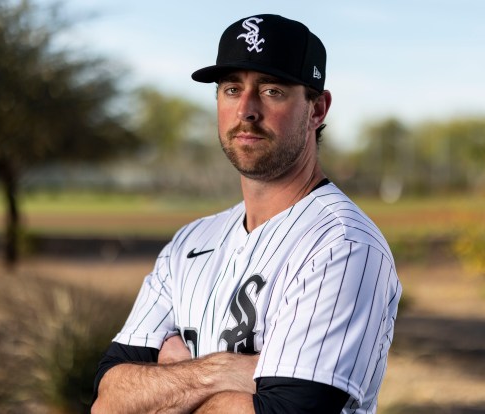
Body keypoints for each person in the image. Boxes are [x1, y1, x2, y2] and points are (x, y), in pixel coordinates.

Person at [92, 14, 402, 414]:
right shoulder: (189, 242)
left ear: (317, 109)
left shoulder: (342, 244)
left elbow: (289, 410)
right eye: (232, 88)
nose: (246, 110)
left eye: (272, 90)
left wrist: (173, 378)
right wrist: (222, 372)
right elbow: (108, 401)